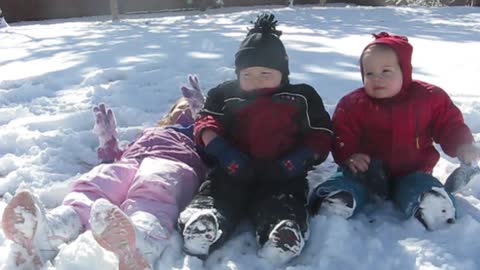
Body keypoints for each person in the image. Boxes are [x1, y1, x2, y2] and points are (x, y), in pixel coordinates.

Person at [1, 75, 207, 270]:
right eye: (180, 107)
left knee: (153, 188)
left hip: (173, 164)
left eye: (189, 107)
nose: (184, 111)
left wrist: (203, 120)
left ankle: (142, 242)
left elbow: (218, 154)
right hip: (132, 161)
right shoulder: (150, 132)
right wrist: (108, 141)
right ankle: (54, 229)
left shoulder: (203, 130)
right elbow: (114, 158)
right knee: (99, 180)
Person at [177, 13, 333, 265]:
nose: (256, 82)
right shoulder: (225, 94)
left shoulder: (301, 97)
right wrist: (221, 149)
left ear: (283, 72)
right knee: (219, 193)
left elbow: (321, 132)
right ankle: (203, 223)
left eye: (265, 73)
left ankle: (282, 233)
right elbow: (206, 122)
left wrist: (300, 158)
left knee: (284, 200)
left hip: (282, 172)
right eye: (247, 75)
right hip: (233, 167)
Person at [309, 32, 480, 230]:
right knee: (347, 180)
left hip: (413, 170)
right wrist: (349, 156)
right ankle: (336, 200)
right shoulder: (353, 104)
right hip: (365, 171)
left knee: (419, 185)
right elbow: (341, 133)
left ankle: (431, 203)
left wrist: (462, 144)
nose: (377, 79)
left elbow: (449, 124)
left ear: (404, 72)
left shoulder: (429, 98)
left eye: (386, 71)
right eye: (369, 73)